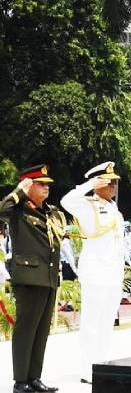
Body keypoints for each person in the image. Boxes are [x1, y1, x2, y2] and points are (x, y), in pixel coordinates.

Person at [1, 165, 64, 393]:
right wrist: (18, 191)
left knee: (41, 332)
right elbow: (1, 210)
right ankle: (20, 381)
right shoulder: (18, 210)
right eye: (40, 183)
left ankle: (34, 377)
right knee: (26, 330)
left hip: (48, 278)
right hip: (29, 278)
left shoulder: (51, 212)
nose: (46, 187)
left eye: (47, 184)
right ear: (28, 185)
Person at [60, 162, 125, 384]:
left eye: (115, 182)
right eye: (110, 182)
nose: (114, 185)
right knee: (91, 323)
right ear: (99, 183)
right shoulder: (87, 205)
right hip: (96, 272)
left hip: (113, 273)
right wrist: (88, 185)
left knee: (107, 321)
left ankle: (103, 363)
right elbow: (65, 201)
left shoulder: (115, 209)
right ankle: (88, 368)